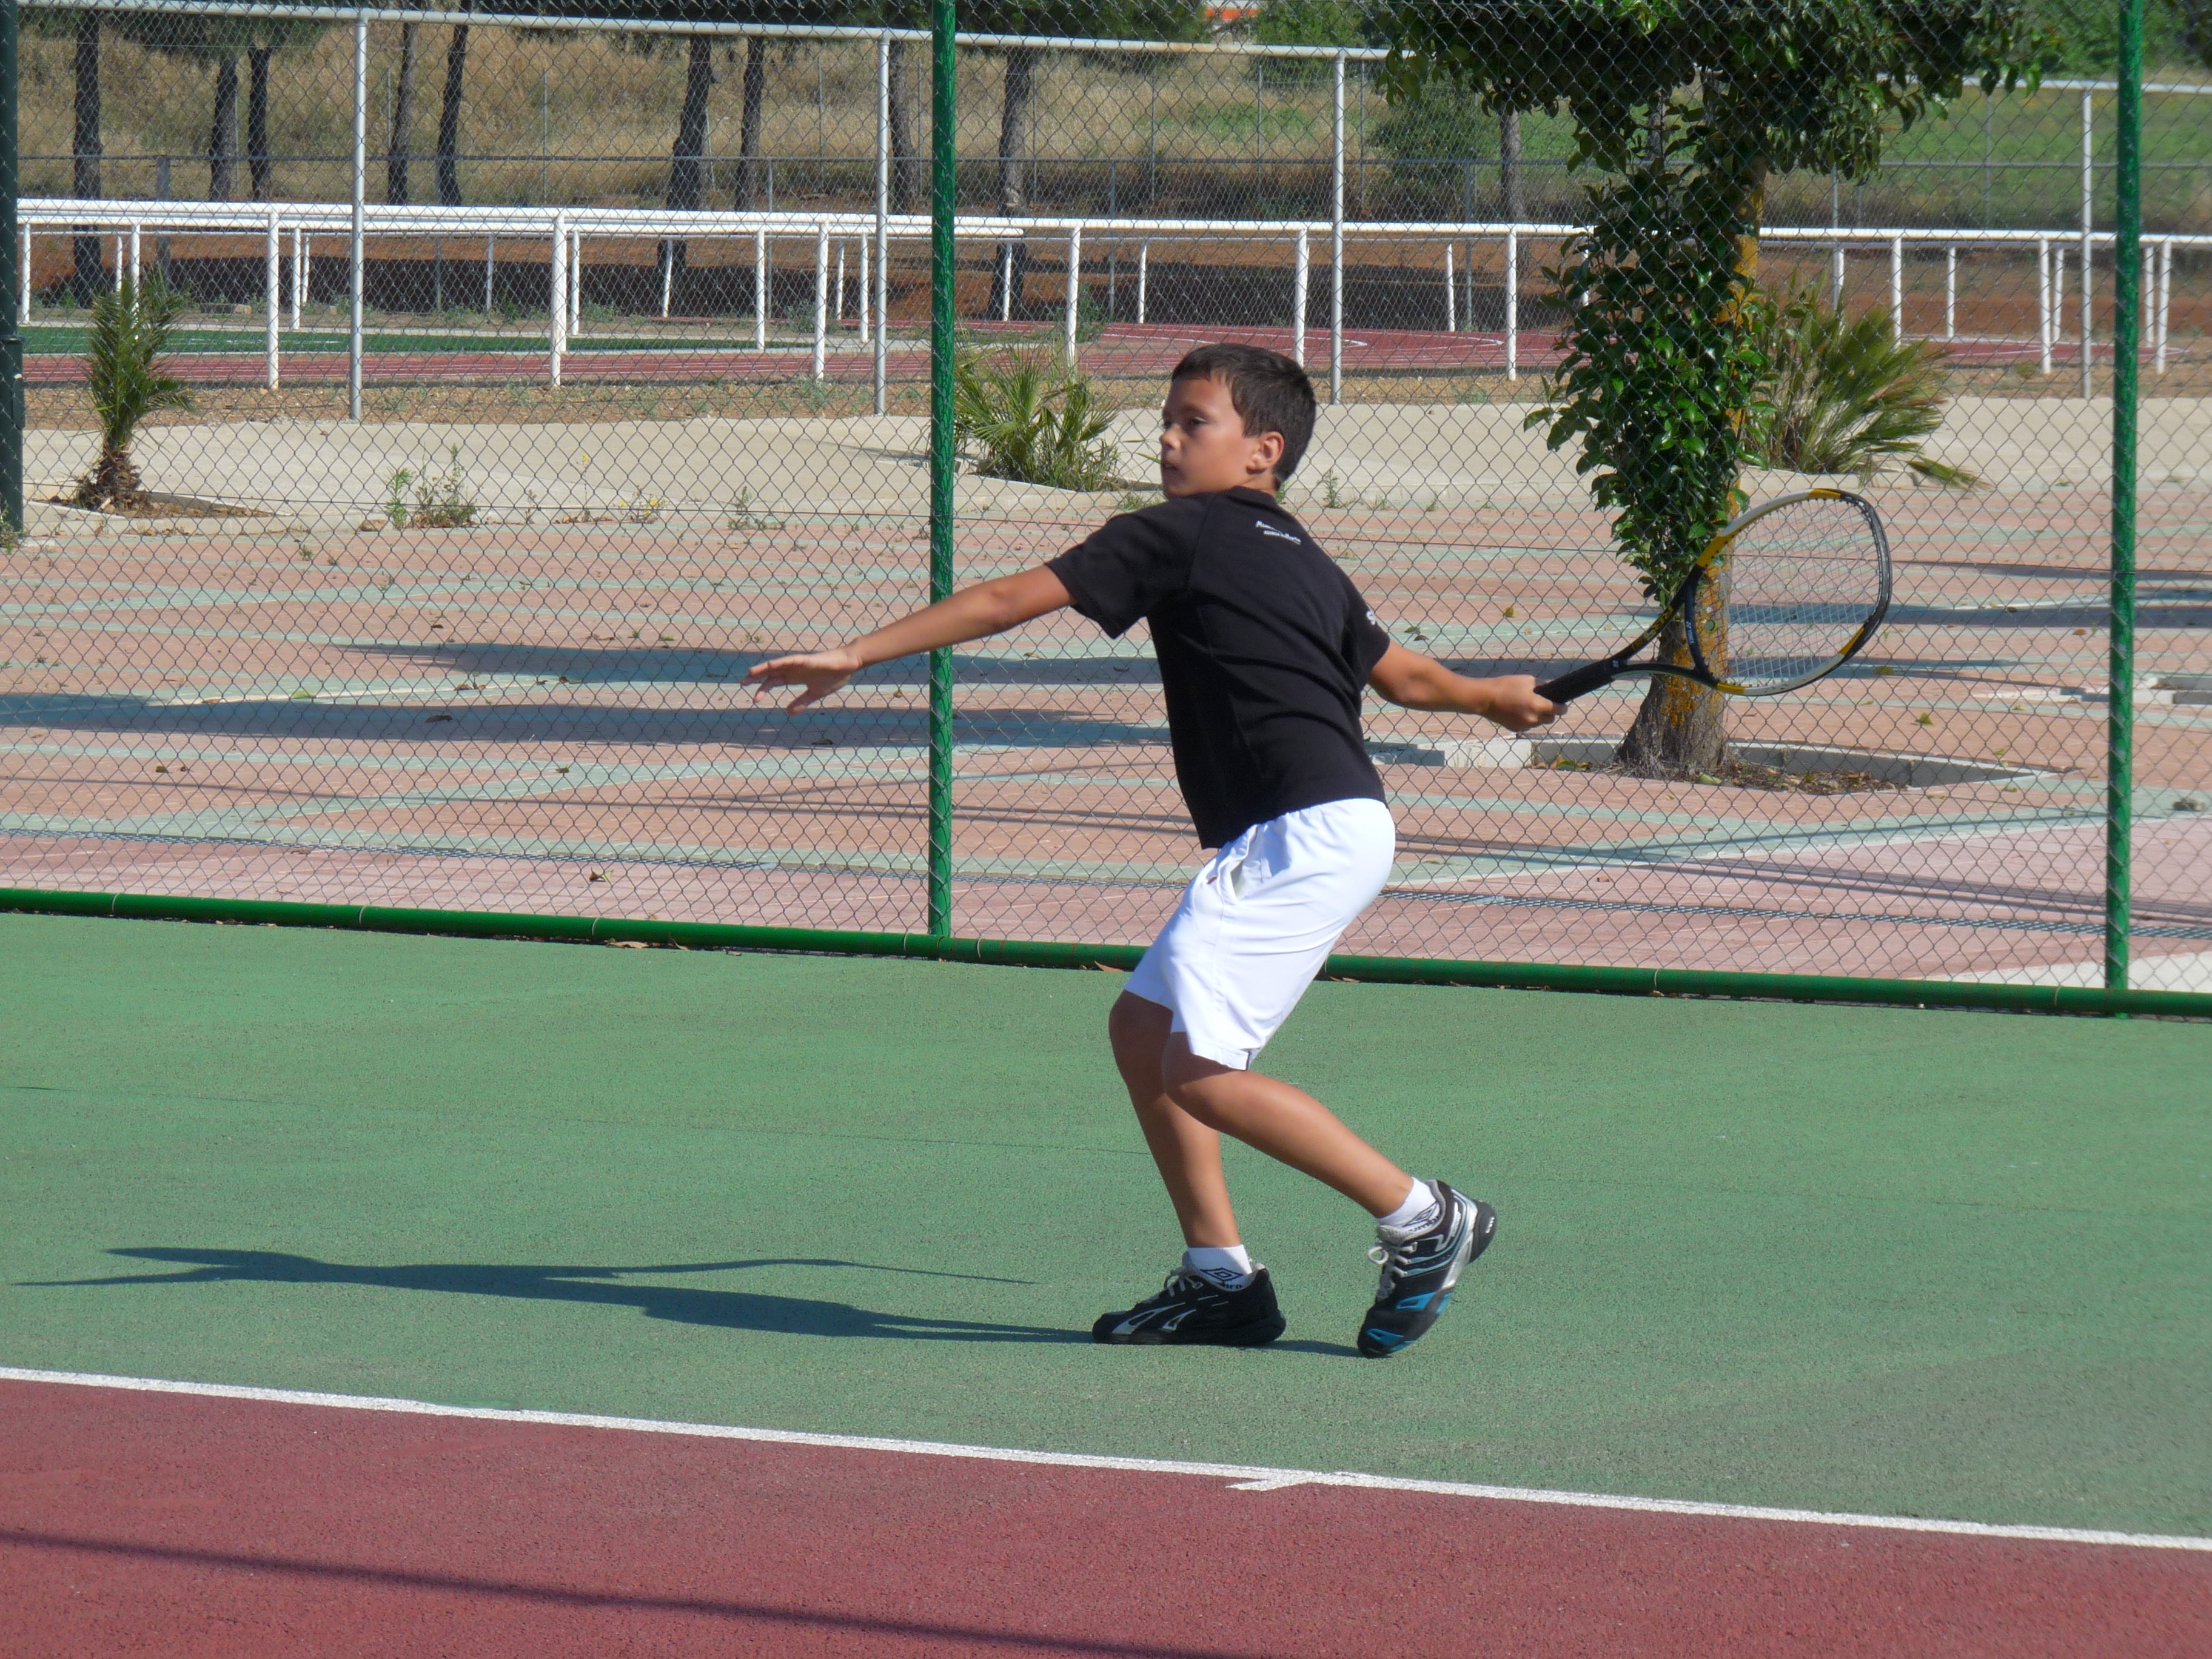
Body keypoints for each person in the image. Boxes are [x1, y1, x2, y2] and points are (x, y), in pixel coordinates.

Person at [749, 343, 1555, 1357]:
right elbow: (1404, 677)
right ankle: (1221, 1279)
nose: (1167, 439)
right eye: (1167, 421)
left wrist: (858, 652)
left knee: (1203, 1071)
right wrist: (1489, 697)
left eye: (1193, 422)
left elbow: (1007, 600)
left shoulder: (1183, 532)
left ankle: (1425, 1219)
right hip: (1329, 826)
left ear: (1263, 450)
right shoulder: (1304, 556)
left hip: (1302, 832)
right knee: (1145, 1030)